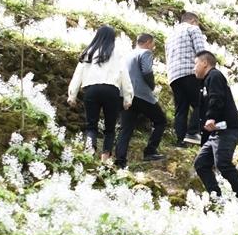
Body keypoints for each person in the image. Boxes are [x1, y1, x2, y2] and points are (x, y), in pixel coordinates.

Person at [191, 50, 238, 211]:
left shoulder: (215, 76)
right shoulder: (205, 82)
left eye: (195, 64)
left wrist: (211, 117)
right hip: (215, 132)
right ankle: (216, 197)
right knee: (201, 163)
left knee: (223, 163)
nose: (194, 68)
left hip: (228, 129)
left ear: (205, 63)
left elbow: (216, 98)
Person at [67, 25, 132, 160]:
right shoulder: (117, 53)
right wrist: (128, 98)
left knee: (91, 125)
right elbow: (124, 75)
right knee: (110, 127)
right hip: (111, 91)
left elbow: (78, 74)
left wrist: (72, 95)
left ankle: (90, 149)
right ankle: (105, 156)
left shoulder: (88, 52)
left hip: (91, 90)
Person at [115, 33, 167, 166]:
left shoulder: (127, 55)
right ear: (148, 42)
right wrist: (152, 86)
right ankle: (150, 151)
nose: (153, 47)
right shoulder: (145, 53)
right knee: (160, 120)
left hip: (126, 95)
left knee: (125, 128)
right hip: (141, 94)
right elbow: (147, 72)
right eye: (153, 44)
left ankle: (120, 160)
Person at [165, 10, 208, 146]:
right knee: (200, 102)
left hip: (174, 75)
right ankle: (193, 132)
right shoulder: (193, 29)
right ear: (193, 21)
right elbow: (201, 53)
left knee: (181, 108)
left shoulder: (170, 36)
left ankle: (180, 140)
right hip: (190, 71)